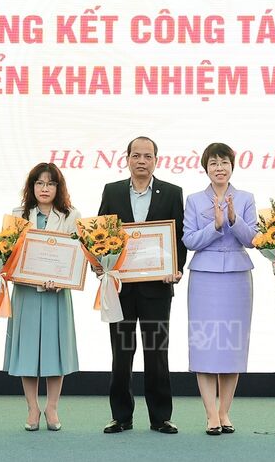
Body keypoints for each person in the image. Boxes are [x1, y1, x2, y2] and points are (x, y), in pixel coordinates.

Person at [97, 136, 187, 435]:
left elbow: (179, 237)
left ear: (156, 161)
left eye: (148, 156)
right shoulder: (112, 191)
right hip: (120, 287)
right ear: (127, 159)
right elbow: (100, 233)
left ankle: (160, 417)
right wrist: (101, 265)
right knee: (121, 353)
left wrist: (175, 268)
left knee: (157, 353)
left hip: (157, 287)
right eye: (136, 155)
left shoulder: (172, 192)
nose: (142, 161)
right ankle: (121, 416)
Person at [182, 143, 257, 435]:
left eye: (224, 162)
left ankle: (225, 411)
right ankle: (210, 414)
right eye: (213, 163)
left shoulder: (246, 198)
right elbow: (189, 240)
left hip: (237, 276)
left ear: (232, 166)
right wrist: (214, 226)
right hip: (204, 277)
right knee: (205, 344)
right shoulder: (194, 200)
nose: (219, 168)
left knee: (231, 345)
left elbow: (253, 240)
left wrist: (234, 220)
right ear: (206, 168)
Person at [3, 163, 80, 432]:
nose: (44, 188)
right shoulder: (18, 215)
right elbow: (7, 253)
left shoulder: (71, 215)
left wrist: (62, 280)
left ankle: (52, 407)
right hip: (26, 291)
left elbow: (78, 255)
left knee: (55, 350)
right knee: (27, 350)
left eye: (50, 183)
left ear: (58, 188)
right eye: (39, 183)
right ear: (32, 186)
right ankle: (32, 407)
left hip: (57, 294)